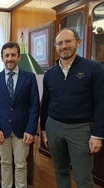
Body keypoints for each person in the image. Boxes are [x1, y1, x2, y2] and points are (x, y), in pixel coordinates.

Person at [40, 28, 104, 188]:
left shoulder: (94, 68)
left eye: (68, 41)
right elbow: (45, 103)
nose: (64, 46)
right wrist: (43, 130)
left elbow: (101, 102)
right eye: (60, 43)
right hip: (53, 127)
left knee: (83, 177)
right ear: (56, 47)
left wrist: (98, 135)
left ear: (78, 42)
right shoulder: (50, 74)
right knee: (60, 171)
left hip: (81, 130)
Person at [0, 41, 40, 188]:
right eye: (6, 55)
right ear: (2, 58)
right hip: (1, 130)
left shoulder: (29, 77)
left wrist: (31, 130)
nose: (10, 58)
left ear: (18, 57)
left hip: (22, 130)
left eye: (13, 55)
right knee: (5, 163)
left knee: (21, 164)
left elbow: (35, 106)